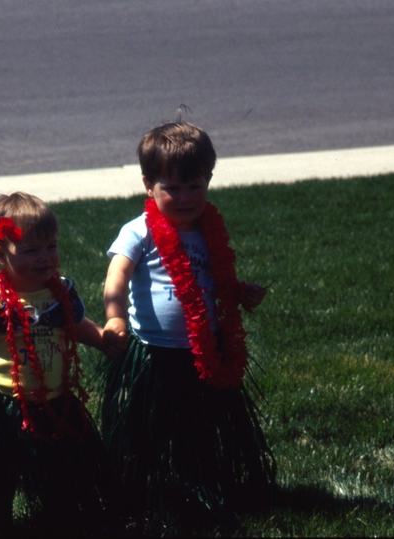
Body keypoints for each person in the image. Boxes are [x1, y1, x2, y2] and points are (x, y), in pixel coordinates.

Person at [99, 120, 277, 533]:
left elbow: (215, 281)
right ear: (149, 185)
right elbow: (117, 276)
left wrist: (239, 292)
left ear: (209, 182)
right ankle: (134, 497)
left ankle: (199, 492)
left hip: (202, 356)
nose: (184, 197)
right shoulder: (140, 230)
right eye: (172, 188)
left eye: (195, 186)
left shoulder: (208, 231)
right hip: (153, 356)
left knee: (198, 432)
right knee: (144, 432)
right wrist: (114, 316)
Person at [0, 192, 121, 537]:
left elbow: (78, 327)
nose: (45, 258)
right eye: (31, 250)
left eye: (51, 247)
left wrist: (103, 338)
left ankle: (61, 521)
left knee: (61, 477)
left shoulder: (61, 292)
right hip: (6, 408)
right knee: (0, 479)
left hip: (57, 404)